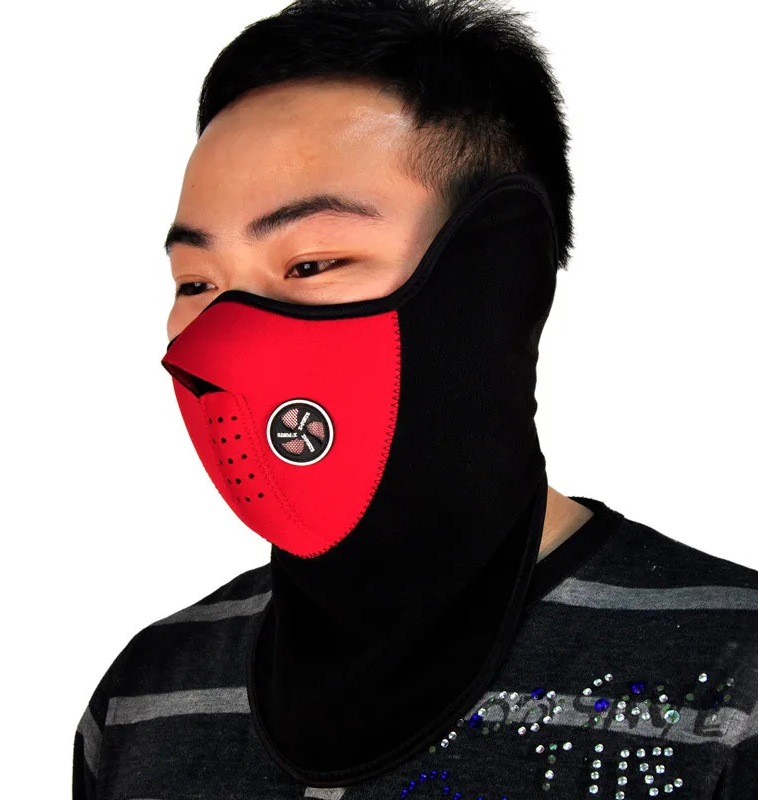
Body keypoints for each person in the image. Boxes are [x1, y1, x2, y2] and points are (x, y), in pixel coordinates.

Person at [72, 1, 758, 797]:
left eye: (310, 264)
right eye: (195, 283)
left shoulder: (731, 685)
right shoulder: (144, 698)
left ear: (496, 274)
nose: (221, 342)